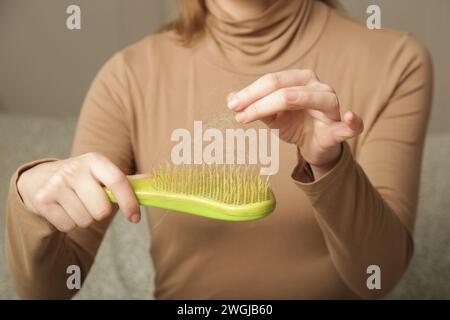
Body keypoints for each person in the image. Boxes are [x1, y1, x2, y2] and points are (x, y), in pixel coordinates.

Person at [6, 0, 433, 299]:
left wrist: (330, 164)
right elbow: (52, 289)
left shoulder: (395, 60)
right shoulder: (128, 77)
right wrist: (30, 197)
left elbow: (378, 277)